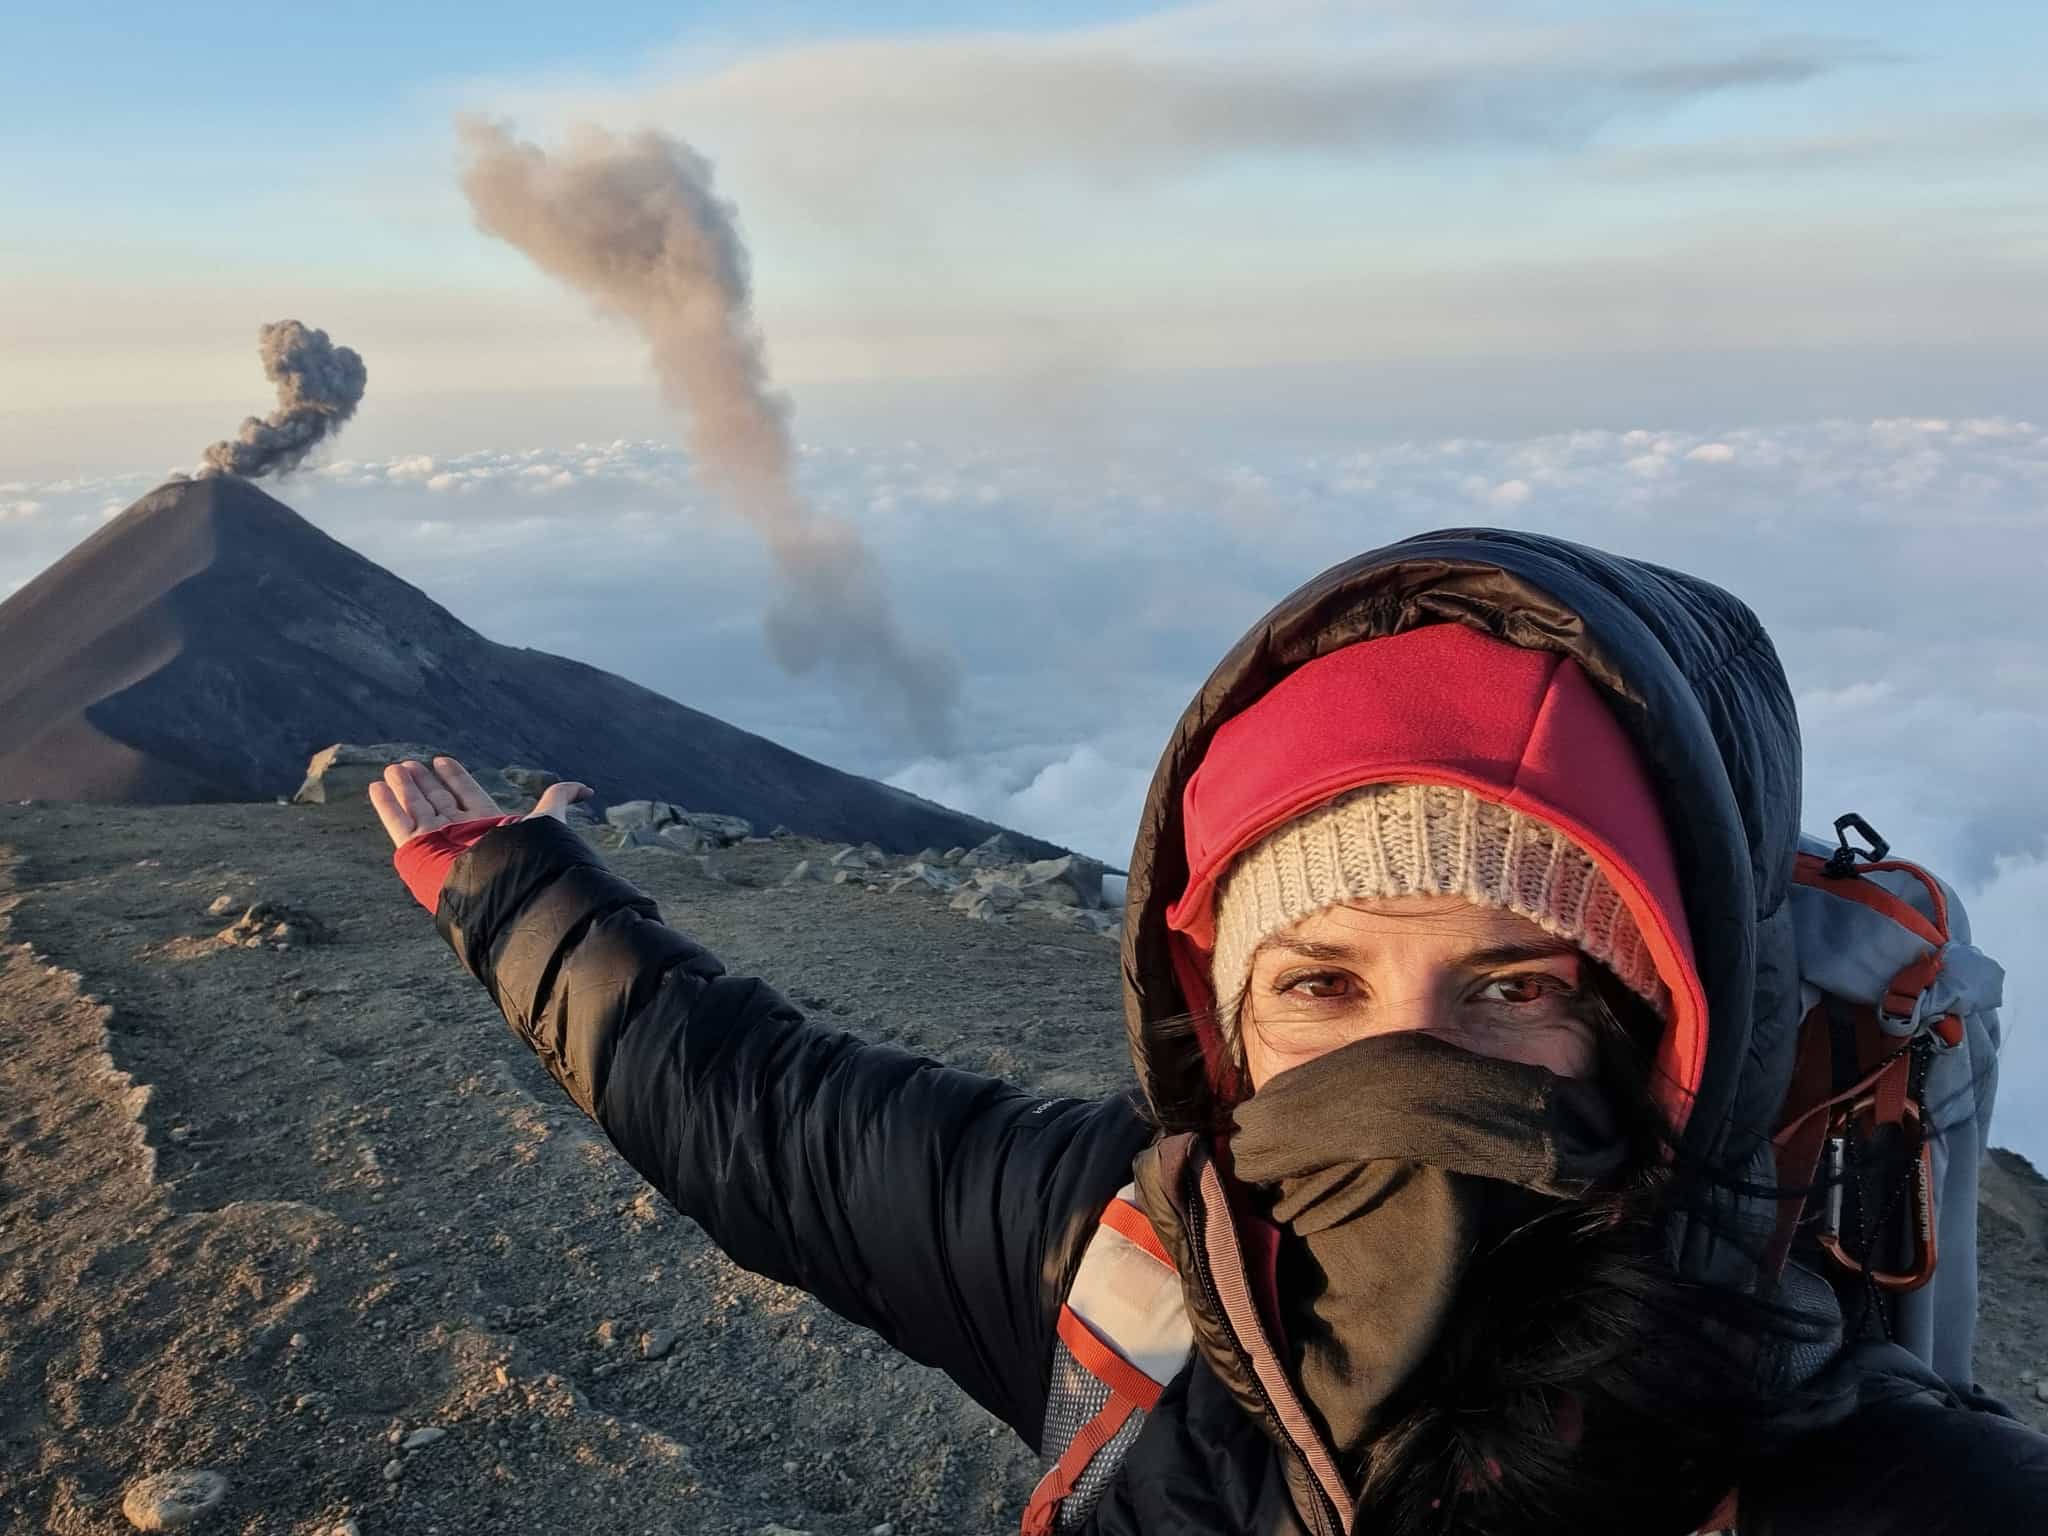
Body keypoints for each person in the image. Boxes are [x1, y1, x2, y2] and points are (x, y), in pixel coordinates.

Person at [370, 528, 2048, 1534]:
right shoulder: (1121, 1249)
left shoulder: (1856, 1471)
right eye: (1322, 983)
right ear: (1219, 1019)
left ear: (1662, 1023)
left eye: (1514, 985)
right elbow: (746, 1109)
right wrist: (516, 894)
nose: (1411, 1062)